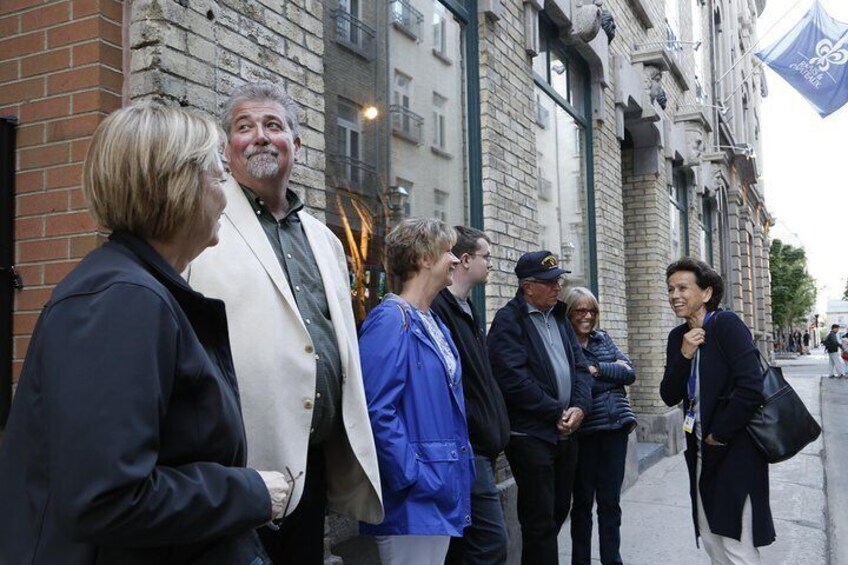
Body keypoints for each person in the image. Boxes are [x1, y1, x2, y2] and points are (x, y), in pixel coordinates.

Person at [0, 104, 290, 564]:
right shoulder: (121, 299)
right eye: (218, 178)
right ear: (177, 186)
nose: (224, 197)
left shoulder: (137, 288)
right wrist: (249, 492)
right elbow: (107, 498)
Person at [187, 81, 383, 563]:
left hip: (312, 461)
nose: (258, 136)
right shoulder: (199, 222)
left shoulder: (325, 239)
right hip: (235, 466)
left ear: (296, 144)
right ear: (227, 147)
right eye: (243, 127)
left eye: (272, 125)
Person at [358, 218, 474, 564]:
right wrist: (412, 475)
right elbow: (377, 409)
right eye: (448, 252)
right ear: (424, 258)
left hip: (436, 487)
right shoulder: (391, 320)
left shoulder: (433, 322)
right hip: (414, 495)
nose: (455, 259)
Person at [661, 257, 775, 564]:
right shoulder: (677, 338)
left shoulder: (726, 326)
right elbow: (668, 394)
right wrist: (684, 355)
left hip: (735, 451)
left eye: (683, 287)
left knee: (738, 545)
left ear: (707, 294)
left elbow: (751, 387)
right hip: (699, 452)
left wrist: (719, 435)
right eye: (670, 289)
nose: (675, 295)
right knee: (712, 541)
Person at [488, 250, 592, 565]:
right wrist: (554, 412)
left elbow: (580, 367)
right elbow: (513, 381)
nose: (558, 287)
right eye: (549, 282)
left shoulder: (560, 316)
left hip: (567, 432)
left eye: (558, 280)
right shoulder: (508, 321)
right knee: (539, 521)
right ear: (527, 286)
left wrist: (579, 408)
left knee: (559, 509)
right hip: (531, 436)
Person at [432, 226, 510, 565]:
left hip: (482, 448)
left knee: (466, 547)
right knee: (492, 545)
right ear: (465, 259)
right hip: (468, 448)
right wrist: (478, 424)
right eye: (486, 256)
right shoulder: (439, 309)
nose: (491, 264)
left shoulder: (467, 308)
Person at [564, 287, 636, 565]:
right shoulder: (564, 343)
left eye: (592, 311)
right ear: (569, 313)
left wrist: (597, 370)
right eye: (580, 310)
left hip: (615, 431)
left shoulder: (602, 338)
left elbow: (630, 372)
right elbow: (574, 386)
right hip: (583, 435)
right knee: (582, 505)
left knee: (610, 504)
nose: (587, 316)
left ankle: (611, 560)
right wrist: (608, 374)